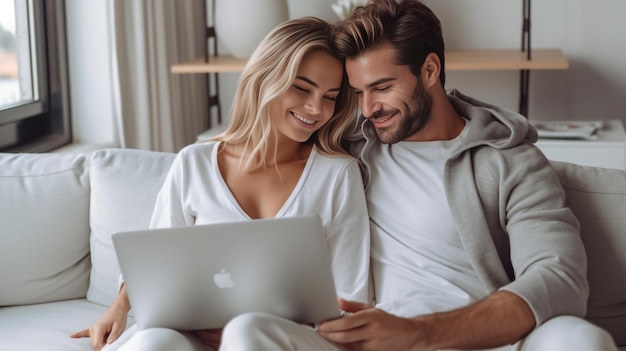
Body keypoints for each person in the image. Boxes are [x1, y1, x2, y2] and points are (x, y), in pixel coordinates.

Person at [217, 1, 618, 350]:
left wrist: (418, 333)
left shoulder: (512, 161)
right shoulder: (348, 148)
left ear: (429, 69)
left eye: (382, 87)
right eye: (357, 92)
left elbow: (559, 276)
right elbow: (270, 135)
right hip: (367, 342)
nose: (368, 108)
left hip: (480, 339)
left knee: (580, 339)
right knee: (250, 331)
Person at [71, 17, 371, 351]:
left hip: (282, 339)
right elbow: (155, 261)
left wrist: (263, 324)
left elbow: (351, 296)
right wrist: (120, 308)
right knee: (152, 343)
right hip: (195, 334)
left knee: (246, 332)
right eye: (302, 88)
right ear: (264, 78)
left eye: (330, 96)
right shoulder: (193, 164)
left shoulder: (337, 175)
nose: (316, 109)